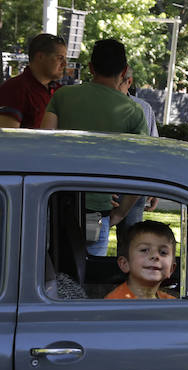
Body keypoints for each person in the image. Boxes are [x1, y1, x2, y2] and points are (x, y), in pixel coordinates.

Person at [41, 38, 147, 256]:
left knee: (54, 265)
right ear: (124, 70)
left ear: (90, 68)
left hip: (59, 202)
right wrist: (120, 214)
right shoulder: (133, 111)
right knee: (88, 271)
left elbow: (44, 146)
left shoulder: (62, 97)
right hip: (97, 212)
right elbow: (142, 170)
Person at [114, 66, 159, 255]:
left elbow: (152, 149)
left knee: (131, 244)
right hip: (104, 186)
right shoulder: (142, 107)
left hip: (133, 187)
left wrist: (153, 187)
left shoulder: (143, 108)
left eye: (118, 82)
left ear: (128, 83)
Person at [0, 33, 66, 128]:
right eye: (60, 58)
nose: (64, 64)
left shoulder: (61, 92)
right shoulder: (14, 89)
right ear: (40, 57)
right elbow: (8, 138)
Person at [105, 220, 177, 299]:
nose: (155, 256)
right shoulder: (116, 302)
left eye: (163, 252)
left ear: (171, 269)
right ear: (124, 264)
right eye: (144, 250)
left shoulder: (171, 302)